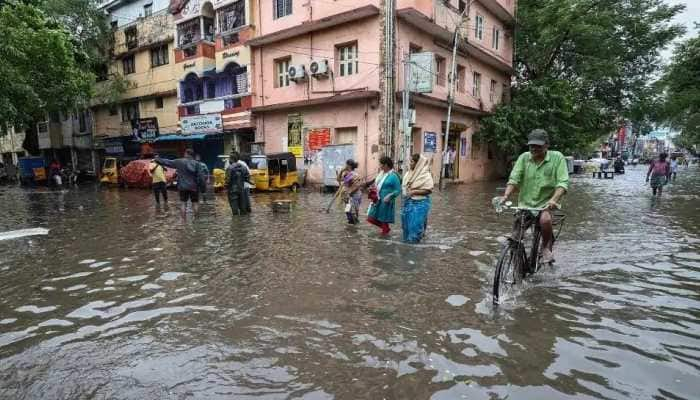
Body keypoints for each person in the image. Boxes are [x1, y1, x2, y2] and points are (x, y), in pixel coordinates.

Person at [497, 129, 569, 264]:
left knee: (545, 220)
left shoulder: (557, 157)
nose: (534, 149)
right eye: (532, 146)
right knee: (516, 235)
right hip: (525, 204)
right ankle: (516, 263)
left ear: (547, 145)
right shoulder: (524, 157)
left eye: (538, 146)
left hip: (547, 203)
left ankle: (546, 248)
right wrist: (505, 196)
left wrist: (553, 200)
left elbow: (563, 183)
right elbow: (514, 179)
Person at [155, 149, 201, 216]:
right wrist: (203, 189)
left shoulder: (179, 161)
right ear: (192, 155)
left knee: (183, 203)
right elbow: (201, 177)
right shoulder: (197, 163)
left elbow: (167, 162)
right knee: (195, 203)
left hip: (182, 187)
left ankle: (183, 222)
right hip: (194, 187)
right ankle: (197, 219)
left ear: (186, 154)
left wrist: (157, 159)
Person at [401, 154, 434, 243]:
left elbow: (429, 189)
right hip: (408, 202)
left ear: (418, 163)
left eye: (412, 161)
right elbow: (405, 186)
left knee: (415, 228)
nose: (409, 163)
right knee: (406, 228)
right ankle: (407, 250)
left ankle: (415, 252)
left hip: (420, 203)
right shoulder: (409, 173)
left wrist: (414, 192)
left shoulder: (425, 174)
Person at [367, 156, 402, 236]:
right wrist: (371, 188)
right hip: (377, 199)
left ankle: (385, 234)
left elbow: (398, 190)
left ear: (386, 165)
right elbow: (377, 184)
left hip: (386, 201)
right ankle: (385, 230)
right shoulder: (381, 174)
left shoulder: (393, 176)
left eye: (381, 164)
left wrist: (390, 195)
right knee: (370, 218)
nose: (380, 166)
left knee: (383, 220)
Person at [340, 159, 363, 224]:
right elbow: (339, 179)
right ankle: (352, 225)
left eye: (346, 164)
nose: (345, 166)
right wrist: (341, 171)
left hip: (354, 195)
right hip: (348, 195)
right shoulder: (347, 174)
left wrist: (350, 193)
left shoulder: (354, 175)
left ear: (349, 166)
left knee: (353, 211)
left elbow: (358, 186)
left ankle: (355, 225)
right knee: (348, 211)